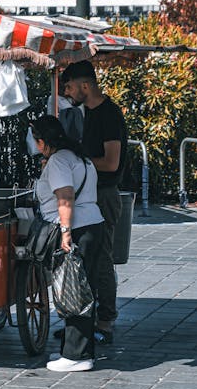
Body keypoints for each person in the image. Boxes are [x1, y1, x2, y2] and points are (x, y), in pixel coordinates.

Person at [61, 60, 128, 344]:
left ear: (85, 85)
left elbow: (111, 163)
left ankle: (105, 322)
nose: (66, 92)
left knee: (101, 261)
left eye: (69, 86)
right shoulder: (82, 114)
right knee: (83, 261)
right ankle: (84, 323)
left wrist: (81, 165)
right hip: (88, 196)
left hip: (103, 196)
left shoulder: (109, 115)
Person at [30, 115, 104, 372]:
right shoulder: (78, 157)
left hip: (77, 228)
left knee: (72, 289)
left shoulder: (60, 160)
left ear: (41, 142)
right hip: (93, 225)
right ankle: (78, 350)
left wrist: (65, 233)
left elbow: (65, 198)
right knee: (84, 289)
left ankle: (77, 356)